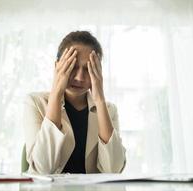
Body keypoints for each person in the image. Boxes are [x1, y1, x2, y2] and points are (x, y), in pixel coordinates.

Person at [23, 31, 126, 174]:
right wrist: (56, 92)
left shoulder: (109, 109)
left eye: (88, 69)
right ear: (57, 66)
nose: (79, 77)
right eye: (73, 66)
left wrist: (100, 100)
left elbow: (113, 169)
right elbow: (42, 169)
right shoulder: (35, 102)